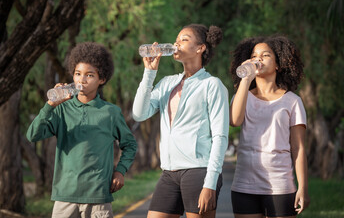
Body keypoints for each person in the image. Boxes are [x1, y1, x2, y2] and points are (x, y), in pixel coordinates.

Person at [26, 42, 137, 218]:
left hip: (98, 196)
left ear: (102, 79)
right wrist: (50, 105)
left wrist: (120, 171)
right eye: (78, 74)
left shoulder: (111, 112)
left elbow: (130, 145)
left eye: (89, 75)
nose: (81, 80)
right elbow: (33, 135)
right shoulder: (61, 109)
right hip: (65, 195)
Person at [132, 24, 229, 218]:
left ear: (200, 48)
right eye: (176, 40)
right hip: (169, 172)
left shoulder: (212, 85)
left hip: (198, 170)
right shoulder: (167, 83)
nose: (176, 43)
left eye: (184, 39)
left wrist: (210, 183)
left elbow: (220, 136)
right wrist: (149, 73)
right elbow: (139, 114)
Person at [229, 35, 310, 218]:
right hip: (244, 184)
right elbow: (234, 120)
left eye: (265, 55)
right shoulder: (242, 96)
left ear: (278, 65)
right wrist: (245, 79)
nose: (258, 59)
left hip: (280, 184)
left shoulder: (292, 101)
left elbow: (298, 148)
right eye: (254, 55)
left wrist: (303, 188)